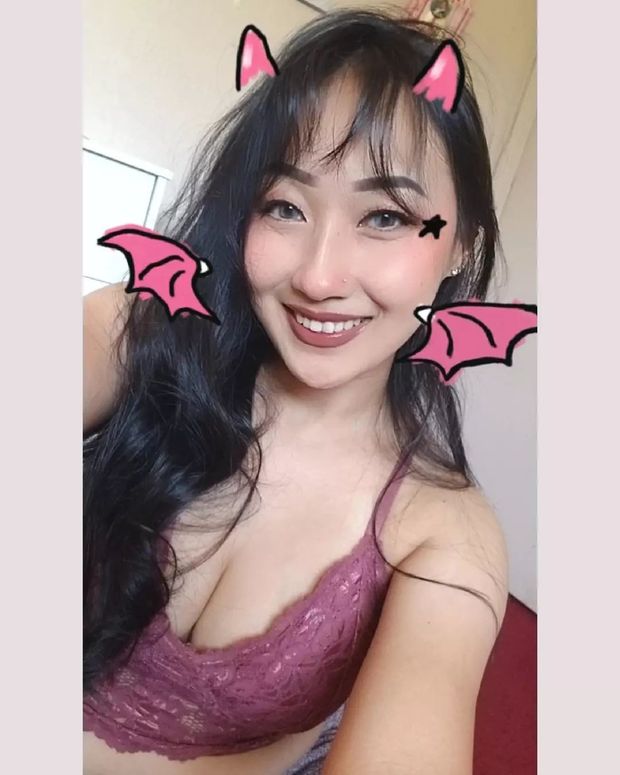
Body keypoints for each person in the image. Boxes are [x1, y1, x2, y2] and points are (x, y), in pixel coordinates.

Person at [83, 8, 509, 774]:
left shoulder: (443, 535)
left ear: (461, 244)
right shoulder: (144, 329)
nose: (317, 275)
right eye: (285, 206)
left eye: (386, 216)